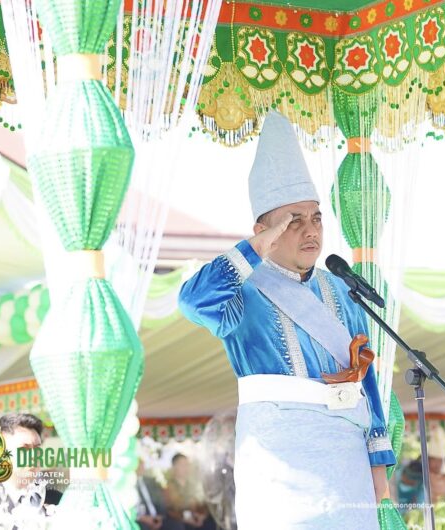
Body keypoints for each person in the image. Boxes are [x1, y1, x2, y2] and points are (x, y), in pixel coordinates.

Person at [179, 110, 395, 529]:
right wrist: (255, 248)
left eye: (316, 218)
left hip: (346, 462)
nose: (311, 230)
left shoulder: (343, 289)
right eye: (294, 221)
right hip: (279, 464)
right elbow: (192, 301)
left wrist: (377, 466)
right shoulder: (243, 292)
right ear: (265, 230)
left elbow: (366, 383)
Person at [164, 453, 212, 530]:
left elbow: (203, 503)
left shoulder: (194, 485)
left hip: (197, 518)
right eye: (182, 465)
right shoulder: (169, 487)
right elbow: (172, 510)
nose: (185, 468)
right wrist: (187, 517)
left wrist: (202, 515)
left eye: (187, 464)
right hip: (181, 521)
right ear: (174, 467)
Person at [136, 458, 166, 530]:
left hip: (157, 517)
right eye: (138, 465)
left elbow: (160, 500)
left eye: (142, 465)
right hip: (141, 519)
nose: (141, 468)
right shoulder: (128, 485)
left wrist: (160, 517)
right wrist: (143, 518)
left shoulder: (151, 481)